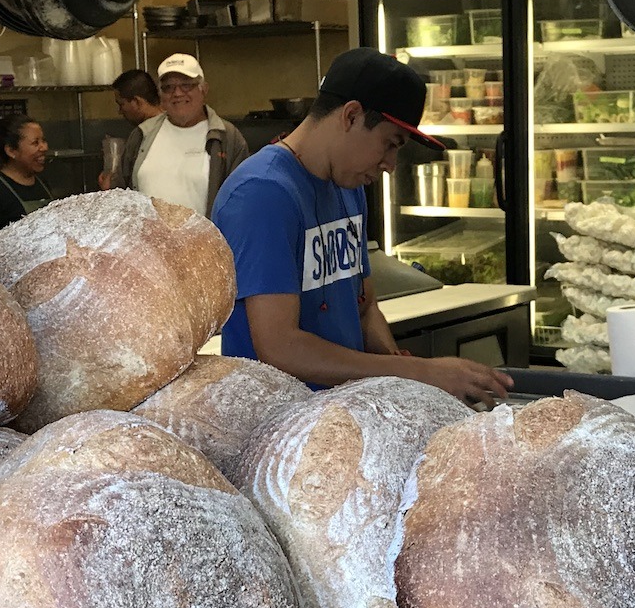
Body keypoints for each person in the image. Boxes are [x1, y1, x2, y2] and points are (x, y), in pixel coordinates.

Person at [212, 47, 513, 406]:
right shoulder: (262, 194)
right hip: (277, 428)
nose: (390, 164)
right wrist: (421, 372)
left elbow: (365, 305)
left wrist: (402, 371)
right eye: (389, 144)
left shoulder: (347, 186)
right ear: (351, 115)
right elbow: (280, 347)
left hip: (343, 415)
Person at [101, 53, 249, 217]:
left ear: (204, 89)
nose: (177, 93)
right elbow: (121, 195)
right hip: (150, 242)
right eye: (168, 87)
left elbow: (243, 202)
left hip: (204, 242)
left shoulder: (227, 137)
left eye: (187, 85)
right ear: (160, 95)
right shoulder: (142, 135)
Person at [0, 113, 53, 239]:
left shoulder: (42, 183)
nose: (44, 147)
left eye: (43, 141)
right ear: (11, 151)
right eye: (35, 143)